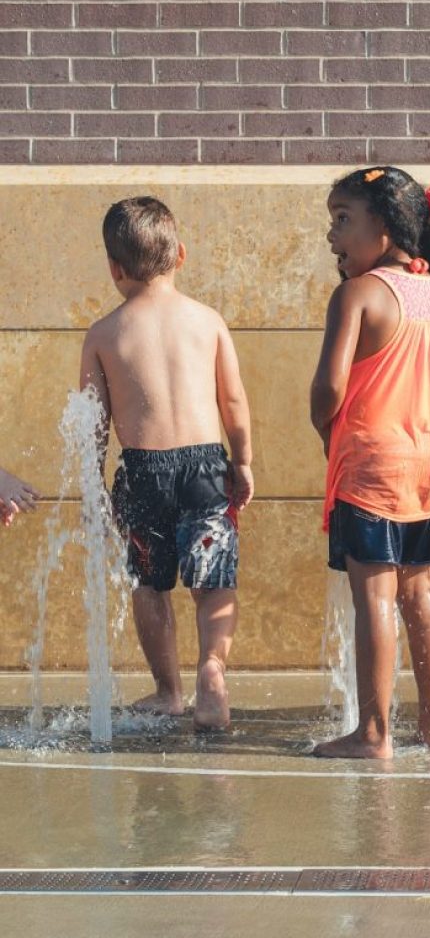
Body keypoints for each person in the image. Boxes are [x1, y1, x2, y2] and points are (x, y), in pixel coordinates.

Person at [310, 166, 430, 760]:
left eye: (342, 220)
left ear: (382, 227)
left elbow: (329, 391)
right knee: (421, 596)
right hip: (427, 465)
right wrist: (416, 416)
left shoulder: (356, 294)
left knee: (375, 601)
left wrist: (326, 424)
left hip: (370, 466)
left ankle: (373, 733)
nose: (331, 236)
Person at [80, 196, 253, 731]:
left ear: (114, 268)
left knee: (150, 584)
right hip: (205, 466)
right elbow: (234, 403)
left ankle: (168, 691)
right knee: (214, 579)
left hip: (142, 470)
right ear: (180, 254)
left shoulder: (104, 334)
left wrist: (96, 488)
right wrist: (242, 462)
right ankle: (212, 669)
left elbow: (92, 425)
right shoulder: (207, 321)